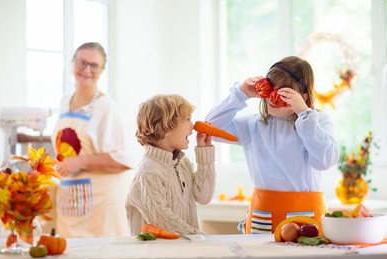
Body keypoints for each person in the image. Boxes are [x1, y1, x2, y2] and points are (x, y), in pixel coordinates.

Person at [205, 56, 339, 234]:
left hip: (306, 217)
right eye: (270, 89)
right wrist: (240, 94)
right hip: (264, 216)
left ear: (303, 96)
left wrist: (305, 114)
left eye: (284, 93)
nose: (272, 97)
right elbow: (211, 127)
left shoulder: (316, 121)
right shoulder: (254, 124)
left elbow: (325, 161)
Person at [51, 42, 132, 238]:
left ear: (102, 70)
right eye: (81, 62)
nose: (86, 70)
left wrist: (79, 162)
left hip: (101, 207)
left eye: (94, 65)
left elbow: (123, 160)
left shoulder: (106, 106)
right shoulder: (64, 102)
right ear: (72, 64)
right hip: (70, 202)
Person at [125, 94, 215, 235]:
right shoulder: (148, 170)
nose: (193, 126)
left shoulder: (182, 163)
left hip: (182, 249)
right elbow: (162, 220)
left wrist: (205, 153)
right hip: (155, 254)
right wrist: (200, 238)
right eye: (187, 119)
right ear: (165, 128)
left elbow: (204, 197)